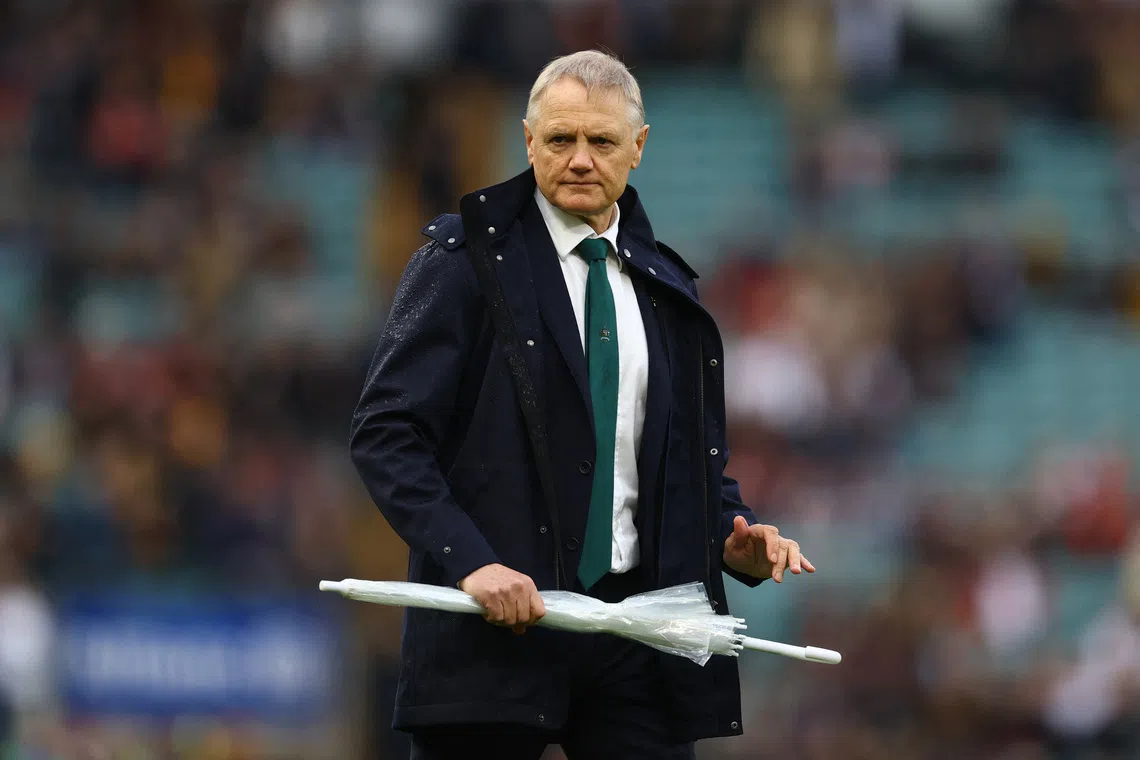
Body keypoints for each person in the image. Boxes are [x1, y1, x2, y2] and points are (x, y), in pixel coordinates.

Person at [351, 49, 815, 760]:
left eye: (600, 141)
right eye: (561, 139)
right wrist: (473, 563)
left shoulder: (669, 290)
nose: (579, 159)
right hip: (491, 626)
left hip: (635, 631)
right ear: (528, 140)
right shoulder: (462, 260)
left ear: (639, 148)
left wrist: (733, 536)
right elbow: (387, 435)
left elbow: (677, 461)